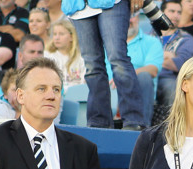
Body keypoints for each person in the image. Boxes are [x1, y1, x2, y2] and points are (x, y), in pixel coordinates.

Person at [63, 0, 147, 130]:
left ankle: (133, 119)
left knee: (118, 59)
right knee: (92, 65)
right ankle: (99, 121)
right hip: (78, 6)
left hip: (113, 3)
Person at [107, 12, 163, 127]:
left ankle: (140, 127)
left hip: (137, 92)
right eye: (124, 16)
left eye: (131, 16)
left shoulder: (151, 42)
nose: (128, 20)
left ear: (138, 18)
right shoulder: (107, 44)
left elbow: (152, 69)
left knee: (144, 76)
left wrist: (124, 77)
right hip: (110, 92)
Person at [156, 0, 193, 107]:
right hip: (148, 75)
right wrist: (168, 55)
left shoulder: (186, 38)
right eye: (172, 11)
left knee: (172, 89)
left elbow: (181, 64)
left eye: (179, 12)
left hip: (169, 78)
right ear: (162, 13)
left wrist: (154, 58)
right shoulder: (149, 35)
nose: (176, 15)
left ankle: (172, 123)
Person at [44, 19, 85, 88]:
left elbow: (84, 82)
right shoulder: (47, 56)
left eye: (61, 34)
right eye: (54, 34)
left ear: (71, 37)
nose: (57, 38)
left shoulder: (81, 57)